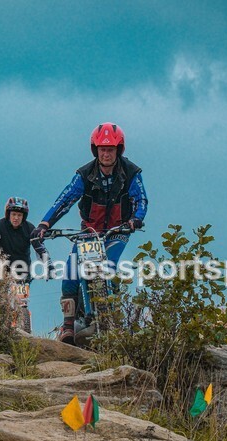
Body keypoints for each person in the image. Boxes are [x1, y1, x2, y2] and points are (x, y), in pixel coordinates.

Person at [31, 122, 148, 345]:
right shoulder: (84, 174)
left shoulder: (132, 172)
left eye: (110, 149)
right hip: (89, 232)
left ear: (119, 150)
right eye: (102, 149)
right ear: (95, 150)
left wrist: (136, 219)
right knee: (70, 274)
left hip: (117, 231)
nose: (106, 153)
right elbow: (64, 200)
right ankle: (68, 325)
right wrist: (44, 224)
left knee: (109, 268)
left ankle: (112, 318)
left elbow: (141, 199)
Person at [0, 197, 50, 280]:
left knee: (21, 293)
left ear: (23, 216)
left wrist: (48, 266)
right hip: (1, 272)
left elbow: (40, 249)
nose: (16, 218)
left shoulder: (30, 228)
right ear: (8, 214)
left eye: (19, 215)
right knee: (0, 292)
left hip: (22, 272)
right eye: (13, 214)